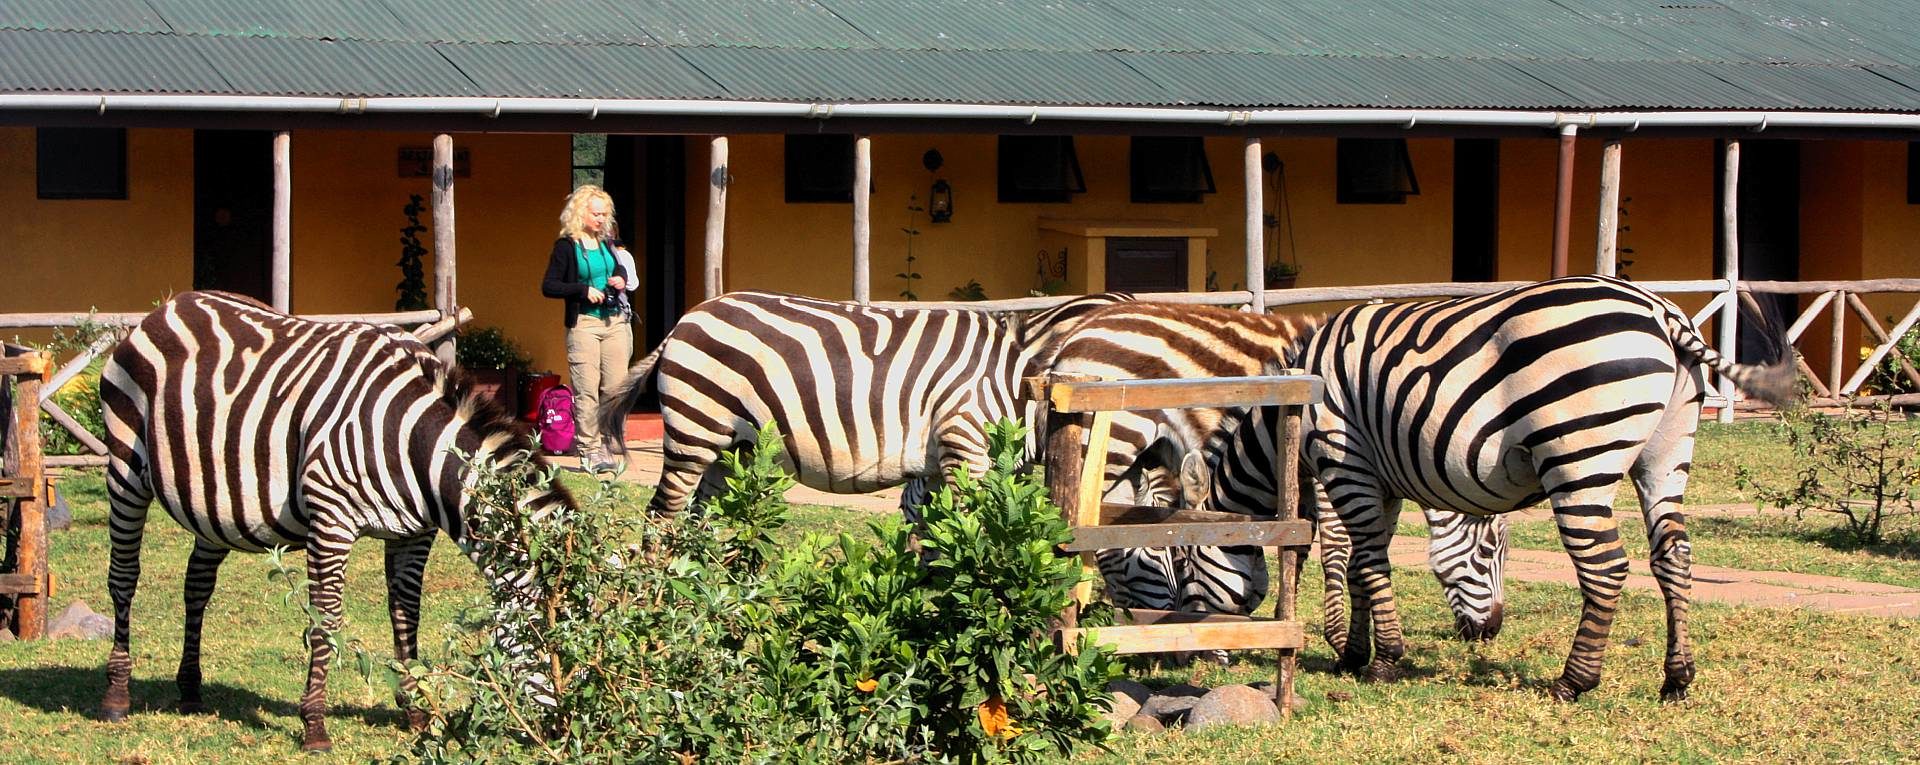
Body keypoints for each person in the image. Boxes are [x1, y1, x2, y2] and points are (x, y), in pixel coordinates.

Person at [540, 184, 632, 472]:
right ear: (581, 213)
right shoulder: (566, 246)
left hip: (615, 320)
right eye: (596, 214)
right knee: (587, 390)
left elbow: (619, 268)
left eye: (605, 214)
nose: (601, 219)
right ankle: (589, 450)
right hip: (585, 324)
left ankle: (608, 442)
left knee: (616, 387)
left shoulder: (606, 243)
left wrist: (619, 278)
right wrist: (582, 290)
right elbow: (550, 286)